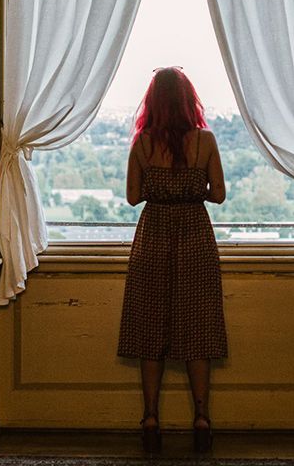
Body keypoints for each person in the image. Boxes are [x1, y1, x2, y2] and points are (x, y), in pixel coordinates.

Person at [117, 67, 227, 454]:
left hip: (154, 238)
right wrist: (189, 189)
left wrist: (158, 187)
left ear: (153, 102)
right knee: (198, 331)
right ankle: (201, 417)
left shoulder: (142, 144)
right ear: (187, 101)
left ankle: (150, 418)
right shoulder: (206, 141)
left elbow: (132, 197)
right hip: (196, 237)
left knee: (150, 331)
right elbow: (219, 196)